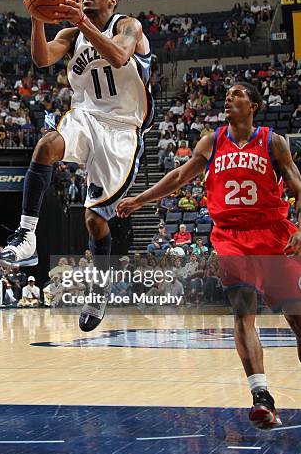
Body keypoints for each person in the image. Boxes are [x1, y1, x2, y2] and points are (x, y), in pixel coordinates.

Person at [117, 81, 301, 430]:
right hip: (231, 237)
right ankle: (261, 395)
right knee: (243, 311)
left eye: (238, 95)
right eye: (227, 94)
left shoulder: (273, 142)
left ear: (254, 106)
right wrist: (141, 199)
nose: (229, 98)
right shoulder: (212, 141)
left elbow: (298, 186)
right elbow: (179, 177)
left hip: (274, 236)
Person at [0, 0, 154, 332]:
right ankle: (26, 236)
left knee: (95, 220)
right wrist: (36, 16)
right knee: (47, 144)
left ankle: (99, 288)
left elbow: (118, 55)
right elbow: (40, 58)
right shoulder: (70, 36)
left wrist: (81, 21)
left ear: (113, 0)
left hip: (122, 129)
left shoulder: (127, 25)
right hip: (85, 115)